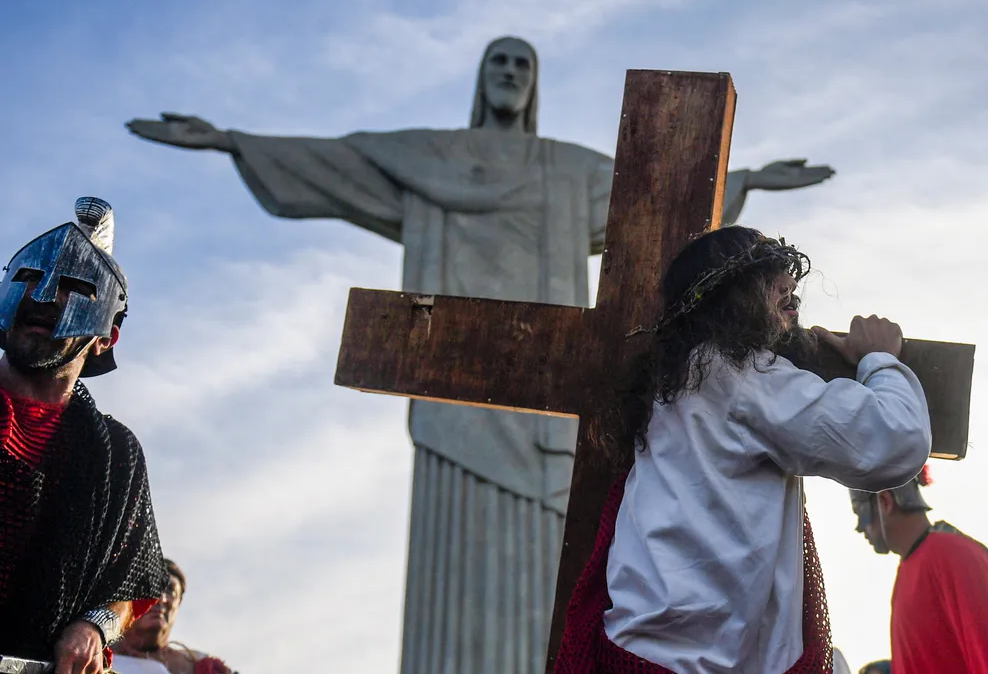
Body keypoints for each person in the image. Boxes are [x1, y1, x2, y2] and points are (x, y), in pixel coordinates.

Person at [125, 37, 836, 672]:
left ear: (534, 86)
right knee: (457, 550)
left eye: (521, 65)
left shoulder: (563, 170)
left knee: (552, 550)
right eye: (497, 61)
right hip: (456, 383)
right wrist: (230, 140)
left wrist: (749, 179)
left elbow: (659, 185)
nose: (508, 74)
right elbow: (343, 158)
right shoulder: (431, 154)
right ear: (480, 78)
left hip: (554, 397)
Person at [554, 225, 932, 673]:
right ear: (728, 295)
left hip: (641, 651)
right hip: (692, 661)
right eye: (768, 276)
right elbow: (894, 439)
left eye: (788, 278)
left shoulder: (671, 387)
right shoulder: (739, 376)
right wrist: (879, 358)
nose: (789, 287)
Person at [0, 197, 167, 674]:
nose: (44, 296)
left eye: (74, 288)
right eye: (30, 279)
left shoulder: (114, 453)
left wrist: (93, 627)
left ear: (106, 337)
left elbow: (129, 586)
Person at [850, 467, 988, 672]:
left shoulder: (954, 556)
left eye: (861, 513)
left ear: (885, 502)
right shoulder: (907, 571)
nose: (860, 529)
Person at [112, 559, 234, 674]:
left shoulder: (204, 668)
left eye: (170, 590)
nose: (161, 599)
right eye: (148, 588)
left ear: (179, 602)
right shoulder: (97, 655)